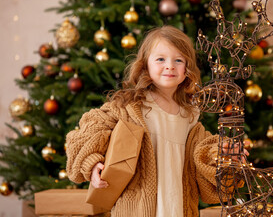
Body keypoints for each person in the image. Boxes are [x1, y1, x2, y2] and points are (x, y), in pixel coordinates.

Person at [66, 25, 248, 217]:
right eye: (160, 59)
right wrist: (92, 163)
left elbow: (203, 151)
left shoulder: (190, 115)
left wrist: (224, 155)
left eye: (178, 60)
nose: (169, 66)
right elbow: (89, 130)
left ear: (187, 68)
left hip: (179, 207)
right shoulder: (129, 106)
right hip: (135, 209)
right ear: (145, 65)